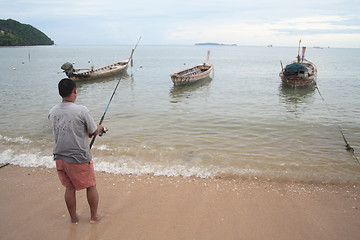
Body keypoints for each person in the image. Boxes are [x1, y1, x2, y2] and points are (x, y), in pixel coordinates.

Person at [48, 78, 105, 224]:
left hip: (59, 158)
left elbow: (66, 130)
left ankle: (73, 218)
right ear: (74, 91)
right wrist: (101, 128)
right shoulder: (81, 110)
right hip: (79, 158)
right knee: (91, 185)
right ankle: (93, 217)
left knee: (69, 187)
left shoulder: (53, 111)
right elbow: (93, 131)